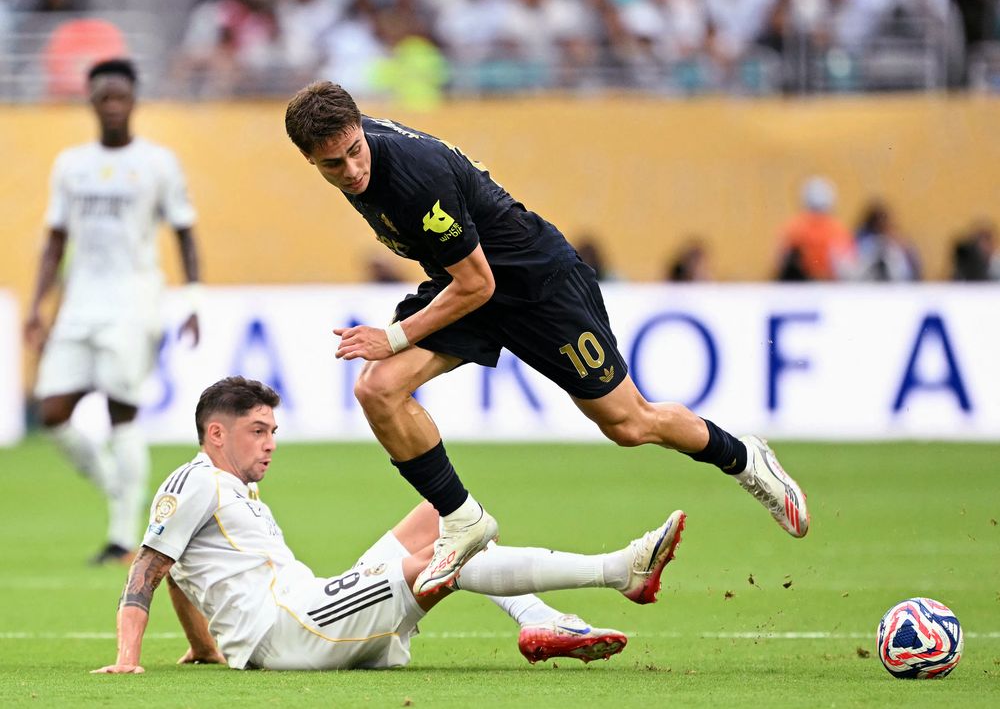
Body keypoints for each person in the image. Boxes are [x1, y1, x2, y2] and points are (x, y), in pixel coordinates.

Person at [283, 81, 809, 597]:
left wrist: (394, 336)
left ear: (361, 129)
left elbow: (478, 284)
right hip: (467, 281)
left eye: (355, 151)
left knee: (629, 424)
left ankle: (744, 458)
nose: (351, 170)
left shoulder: (412, 180)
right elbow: (468, 280)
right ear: (309, 160)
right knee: (378, 389)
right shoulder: (349, 146)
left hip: (537, 285)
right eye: (333, 164)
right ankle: (463, 520)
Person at [91, 376, 686, 673]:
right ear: (216, 434)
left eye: (274, 430)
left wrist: (206, 649)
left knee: (447, 516)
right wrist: (127, 658)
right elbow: (148, 568)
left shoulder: (228, 490)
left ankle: (542, 620)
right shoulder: (195, 480)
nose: (272, 444)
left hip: (309, 608)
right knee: (445, 559)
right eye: (259, 431)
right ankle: (620, 572)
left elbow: (179, 572)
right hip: (295, 629)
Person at [24, 58, 203, 565]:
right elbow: (55, 239)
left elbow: (185, 231)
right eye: (104, 97)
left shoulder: (158, 163)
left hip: (133, 299)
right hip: (80, 300)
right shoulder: (70, 164)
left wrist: (193, 300)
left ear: (134, 100)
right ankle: (121, 493)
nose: (113, 106)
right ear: (92, 102)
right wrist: (39, 304)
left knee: (120, 409)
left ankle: (124, 537)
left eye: (121, 96)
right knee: (53, 412)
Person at [775, 175, 855, 281]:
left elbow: (781, 260)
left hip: (805, 284)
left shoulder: (795, 227)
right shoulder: (836, 229)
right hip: (826, 284)